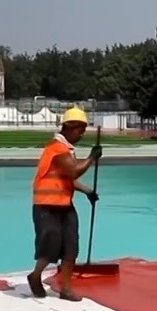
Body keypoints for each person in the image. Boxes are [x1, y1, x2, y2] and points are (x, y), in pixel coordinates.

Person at [27, 107, 102, 301]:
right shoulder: (56, 148)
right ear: (69, 127)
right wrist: (92, 157)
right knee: (50, 245)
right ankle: (35, 275)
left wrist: (88, 191)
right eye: (80, 130)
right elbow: (73, 172)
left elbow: (68, 179)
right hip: (46, 206)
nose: (82, 134)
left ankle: (66, 289)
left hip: (64, 205)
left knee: (71, 247)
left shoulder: (67, 149)